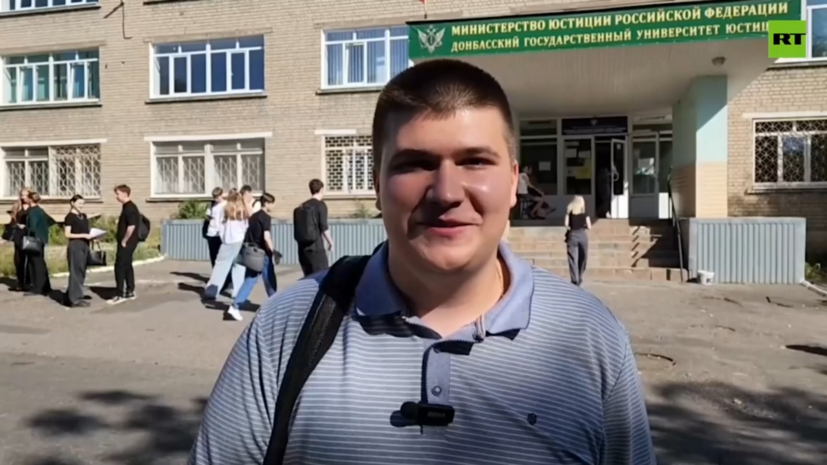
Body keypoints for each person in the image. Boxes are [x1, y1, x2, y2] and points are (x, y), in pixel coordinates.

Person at [189, 59, 653, 464]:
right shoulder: (286, 328)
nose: (446, 193)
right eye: (415, 164)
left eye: (475, 161)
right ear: (377, 184)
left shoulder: (589, 335)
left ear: (514, 181)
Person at [224, 193, 278, 322]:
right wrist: (273, 251)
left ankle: (235, 306)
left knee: (250, 279)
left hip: (252, 253)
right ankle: (276, 305)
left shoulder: (254, 216)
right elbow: (266, 236)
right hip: (262, 254)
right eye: (272, 203)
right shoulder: (265, 217)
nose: (274, 206)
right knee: (270, 279)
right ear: (266, 203)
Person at [203, 192, 248, 300]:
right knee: (239, 267)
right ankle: (237, 293)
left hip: (227, 241)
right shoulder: (243, 211)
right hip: (239, 241)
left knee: (220, 267)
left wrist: (223, 238)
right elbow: (245, 227)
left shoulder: (225, 210)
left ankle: (212, 291)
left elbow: (220, 226)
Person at [108, 185, 140, 305]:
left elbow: (131, 226)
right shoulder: (127, 207)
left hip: (127, 243)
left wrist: (124, 240)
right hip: (129, 242)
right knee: (127, 265)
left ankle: (119, 293)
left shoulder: (130, 208)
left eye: (118, 194)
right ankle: (130, 290)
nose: (116, 196)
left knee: (120, 266)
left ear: (125, 194)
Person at [293, 178, 333, 276]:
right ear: (321, 189)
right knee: (321, 277)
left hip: (302, 250)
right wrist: (331, 242)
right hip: (316, 249)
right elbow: (323, 226)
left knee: (308, 278)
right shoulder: (320, 205)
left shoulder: (302, 206)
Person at [63, 195, 93, 308]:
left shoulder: (83, 216)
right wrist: (83, 235)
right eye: (79, 203)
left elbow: (86, 230)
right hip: (75, 245)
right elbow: (67, 234)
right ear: (72, 203)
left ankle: (69, 296)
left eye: (83, 203)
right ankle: (75, 299)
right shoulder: (69, 217)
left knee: (81, 271)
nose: (81, 206)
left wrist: (92, 236)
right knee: (76, 271)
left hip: (85, 245)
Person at [24, 192, 54, 297]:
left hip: (34, 240)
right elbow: (51, 221)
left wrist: (23, 228)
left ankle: (37, 288)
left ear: (30, 199)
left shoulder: (33, 212)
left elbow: (32, 227)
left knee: (35, 264)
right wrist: (43, 230)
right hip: (41, 239)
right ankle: (45, 287)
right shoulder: (40, 210)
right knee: (40, 263)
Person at [7, 187, 31, 292]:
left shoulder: (33, 206)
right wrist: (16, 224)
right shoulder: (17, 206)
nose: (23, 197)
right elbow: (12, 221)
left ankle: (29, 282)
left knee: (29, 258)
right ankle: (20, 282)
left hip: (29, 235)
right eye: (21, 195)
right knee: (18, 259)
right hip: (19, 235)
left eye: (25, 195)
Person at [565, 195, 591, 286]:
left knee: (572, 258)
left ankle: (574, 279)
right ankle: (579, 276)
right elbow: (589, 226)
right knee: (583, 257)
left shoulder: (570, 213)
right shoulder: (585, 214)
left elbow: (566, 224)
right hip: (582, 235)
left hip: (572, 235)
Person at [204, 187, 226, 267]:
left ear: (221, 195)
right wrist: (210, 219)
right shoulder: (212, 204)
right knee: (213, 255)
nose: (216, 199)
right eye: (214, 197)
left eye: (217, 197)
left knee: (221, 256)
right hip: (212, 233)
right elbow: (207, 216)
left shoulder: (226, 204)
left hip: (222, 233)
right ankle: (214, 271)